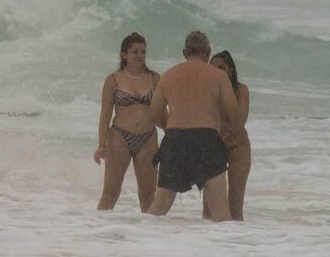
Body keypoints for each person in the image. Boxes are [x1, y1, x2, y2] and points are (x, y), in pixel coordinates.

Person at [145, 30, 242, 221]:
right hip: (207, 139)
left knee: (159, 205)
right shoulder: (218, 76)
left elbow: (154, 113)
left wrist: (169, 127)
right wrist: (230, 133)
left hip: (175, 139)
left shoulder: (168, 76)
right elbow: (234, 113)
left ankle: (134, 237)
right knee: (221, 212)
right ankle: (225, 242)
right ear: (208, 51)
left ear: (184, 52)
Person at [93, 32, 160, 211]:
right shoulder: (113, 79)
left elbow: (163, 112)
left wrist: (173, 136)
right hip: (119, 138)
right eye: (135, 52)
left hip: (148, 138)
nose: (140, 55)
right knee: (110, 194)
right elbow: (105, 114)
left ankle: (151, 230)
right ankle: (97, 228)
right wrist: (101, 145)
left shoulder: (155, 78)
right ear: (124, 54)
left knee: (148, 196)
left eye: (143, 52)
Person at [211, 49, 251, 221]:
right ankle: (203, 236)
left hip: (238, 146)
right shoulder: (208, 91)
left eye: (221, 68)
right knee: (210, 207)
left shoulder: (241, 90)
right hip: (214, 146)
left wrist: (227, 92)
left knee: (235, 207)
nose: (217, 72)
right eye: (213, 68)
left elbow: (240, 120)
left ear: (231, 70)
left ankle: (235, 237)